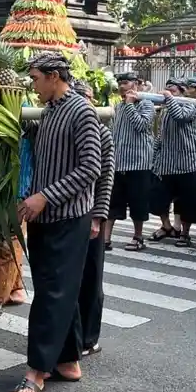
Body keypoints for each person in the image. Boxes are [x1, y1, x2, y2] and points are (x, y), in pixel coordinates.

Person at [8, 52, 102, 392]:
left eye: (35, 78)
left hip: (68, 217)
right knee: (57, 289)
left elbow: (91, 166)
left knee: (52, 294)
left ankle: (36, 371)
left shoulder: (80, 111)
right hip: (44, 218)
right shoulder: (49, 112)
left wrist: (45, 197)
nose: (33, 85)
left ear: (53, 76)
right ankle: (67, 358)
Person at [74, 79, 113, 358]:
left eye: (85, 98)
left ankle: (89, 337)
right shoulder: (60, 124)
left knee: (91, 276)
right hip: (66, 214)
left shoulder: (102, 133)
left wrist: (98, 217)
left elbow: (105, 179)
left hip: (90, 213)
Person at [150, 78, 196, 247]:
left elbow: (180, 117)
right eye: (167, 90)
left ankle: (185, 233)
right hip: (167, 163)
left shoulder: (191, 105)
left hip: (188, 163)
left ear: (182, 92)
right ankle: (166, 226)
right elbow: (161, 133)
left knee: (186, 201)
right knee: (158, 198)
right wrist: (154, 151)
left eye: (173, 91)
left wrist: (169, 98)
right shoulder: (165, 110)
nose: (168, 94)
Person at [105, 72, 155, 251]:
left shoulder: (147, 104)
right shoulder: (117, 107)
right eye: (120, 83)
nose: (122, 87)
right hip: (118, 163)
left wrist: (130, 105)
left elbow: (141, 125)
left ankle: (138, 236)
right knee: (112, 202)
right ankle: (106, 239)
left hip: (139, 163)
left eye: (125, 83)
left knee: (138, 202)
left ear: (136, 84)